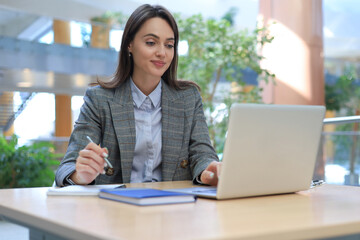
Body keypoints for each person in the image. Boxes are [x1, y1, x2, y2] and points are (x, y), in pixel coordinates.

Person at [55, 4, 221, 187]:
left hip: (173, 207)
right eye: (151, 42)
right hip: (115, 209)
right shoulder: (99, 99)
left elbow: (203, 154)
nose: (162, 53)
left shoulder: (188, 98)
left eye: (169, 45)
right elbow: (67, 167)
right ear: (130, 44)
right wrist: (81, 175)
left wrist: (209, 170)